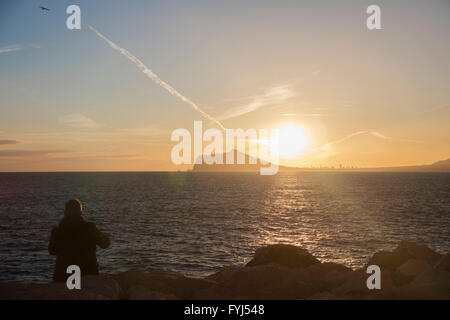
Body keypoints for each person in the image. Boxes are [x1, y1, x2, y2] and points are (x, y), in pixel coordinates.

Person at [48, 198, 110, 282]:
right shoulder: (90, 228)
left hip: (63, 277)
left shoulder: (57, 231)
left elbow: (52, 251)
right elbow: (105, 243)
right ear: (80, 212)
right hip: (88, 276)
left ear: (65, 212)